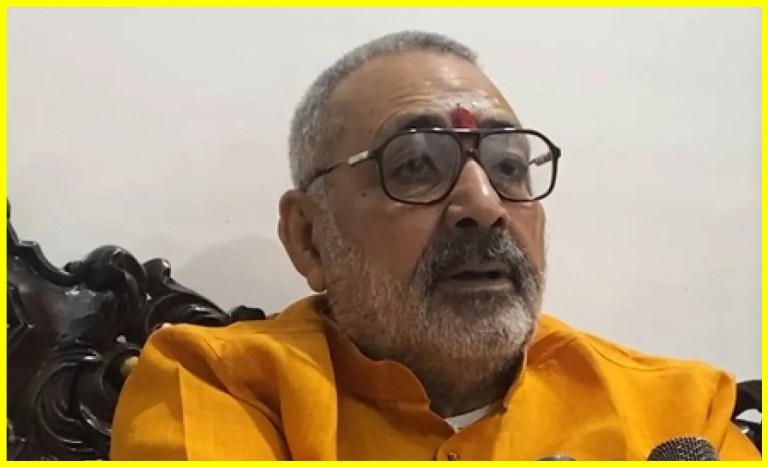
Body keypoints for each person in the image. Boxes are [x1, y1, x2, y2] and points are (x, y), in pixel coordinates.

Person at [109, 30, 760, 461]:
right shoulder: (216, 384)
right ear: (310, 238)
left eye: (509, 167)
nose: (484, 205)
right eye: (417, 164)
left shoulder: (681, 410)